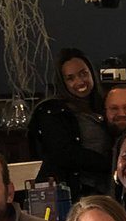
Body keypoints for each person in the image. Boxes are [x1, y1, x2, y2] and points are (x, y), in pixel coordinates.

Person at [29, 49, 112, 197]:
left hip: (105, 189)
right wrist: (111, 164)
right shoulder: (52, 111)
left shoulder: (105, 105)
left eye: (83, 74)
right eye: (70, 78)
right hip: (69, 194)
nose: (79, 81)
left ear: (92, 73)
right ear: (63, 83)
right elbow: (65, 154)